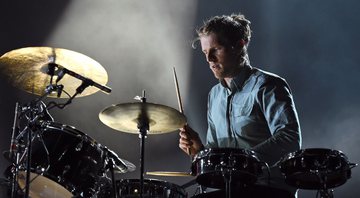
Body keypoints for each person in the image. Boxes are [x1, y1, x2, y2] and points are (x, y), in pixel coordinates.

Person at [179, 13, 302, 198]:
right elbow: (217, 158)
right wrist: (200, 151)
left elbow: (289, 138)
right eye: (205, 52)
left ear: (239, 45)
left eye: (216, 49)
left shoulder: (267, 85)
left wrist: (242, 161)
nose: (209, 59)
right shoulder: (214, 95)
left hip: (269, 189)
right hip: (232, 189)